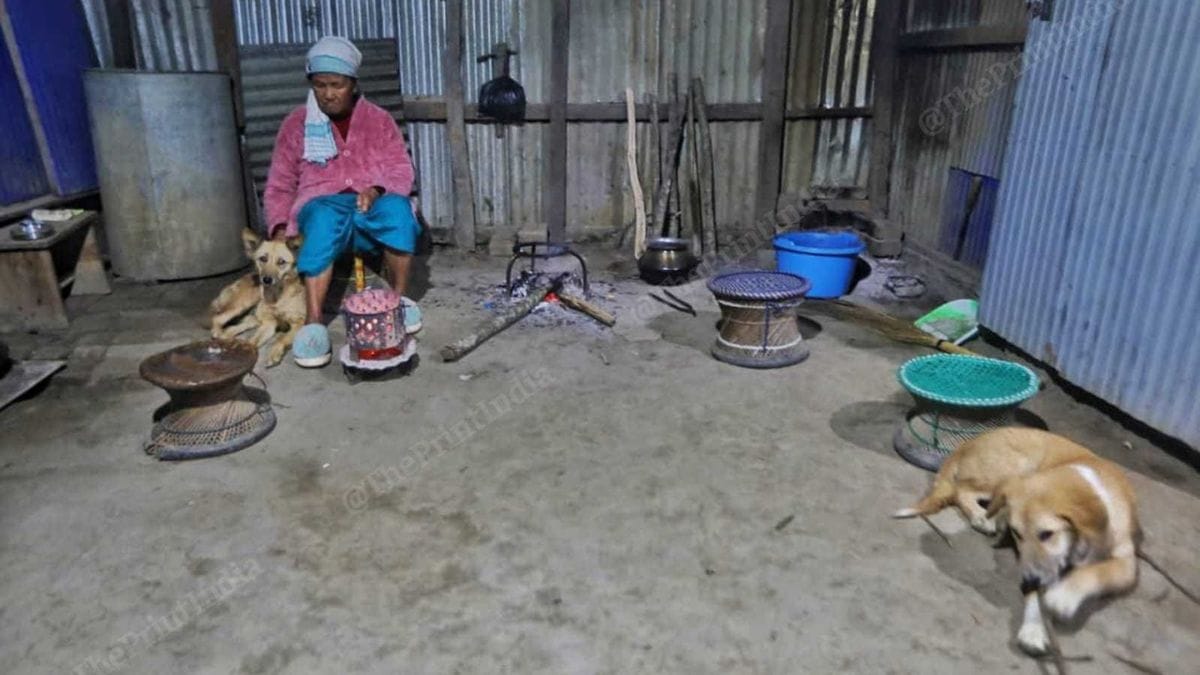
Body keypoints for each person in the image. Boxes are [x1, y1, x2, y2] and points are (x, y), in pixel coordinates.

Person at [263, 35, 421, 368]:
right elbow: (279, 182)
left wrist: (377, 189)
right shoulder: (296, 124)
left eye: (336, 85)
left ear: (352, 84)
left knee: (399, 211)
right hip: (322, 208)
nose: (328, 93)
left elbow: (400, 169)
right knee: (320, 219)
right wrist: (279, 227)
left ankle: (397, 303)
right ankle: (314, 324)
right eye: (320, 85)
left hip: (370, 208)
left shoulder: (378, 120)